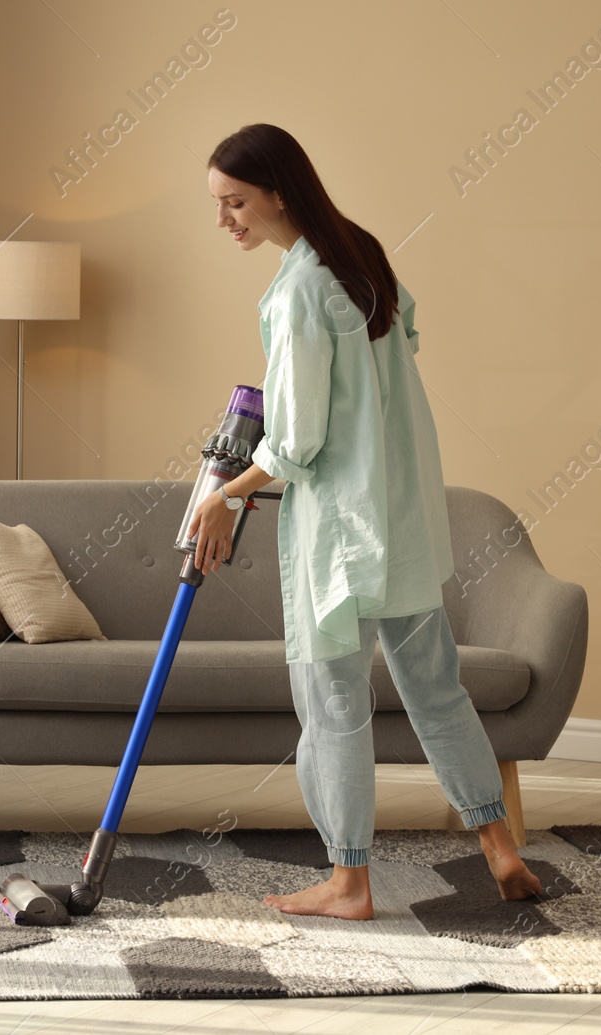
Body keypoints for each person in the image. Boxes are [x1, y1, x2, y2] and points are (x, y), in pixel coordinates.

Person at [185, 123, 542, 920]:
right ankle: (498, 846)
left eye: (234, 203)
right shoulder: (361, 255)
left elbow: (300, 443)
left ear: (278, 192)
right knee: (437, 690)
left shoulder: (301, 289)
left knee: (333, 706)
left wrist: (226, 493)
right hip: (402, 524)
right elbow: (398, 347)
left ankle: (348, 881)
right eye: (217, 205)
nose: (225, 221)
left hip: (340, 540)